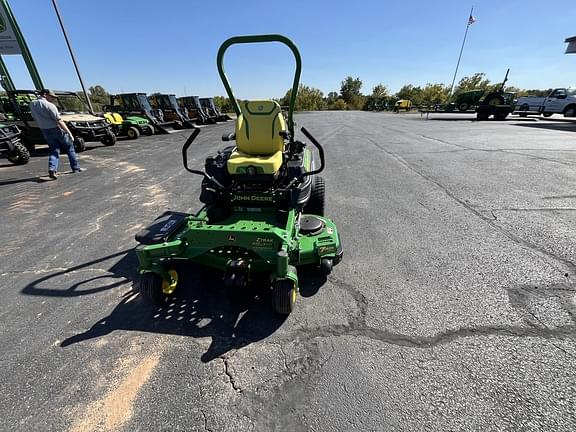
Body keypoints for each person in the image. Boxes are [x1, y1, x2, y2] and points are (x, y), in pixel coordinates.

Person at [29, 89, 83, 179]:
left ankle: (52, 169)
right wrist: (69, 133)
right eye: (52, 97)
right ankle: (76, 168)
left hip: (44, 130)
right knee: (70, 148)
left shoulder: (32, 104)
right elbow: (59, 120)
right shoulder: (50, 105)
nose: (53, 99)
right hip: (56, 129)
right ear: (45, 95)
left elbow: (33, 116)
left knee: (54, 150)